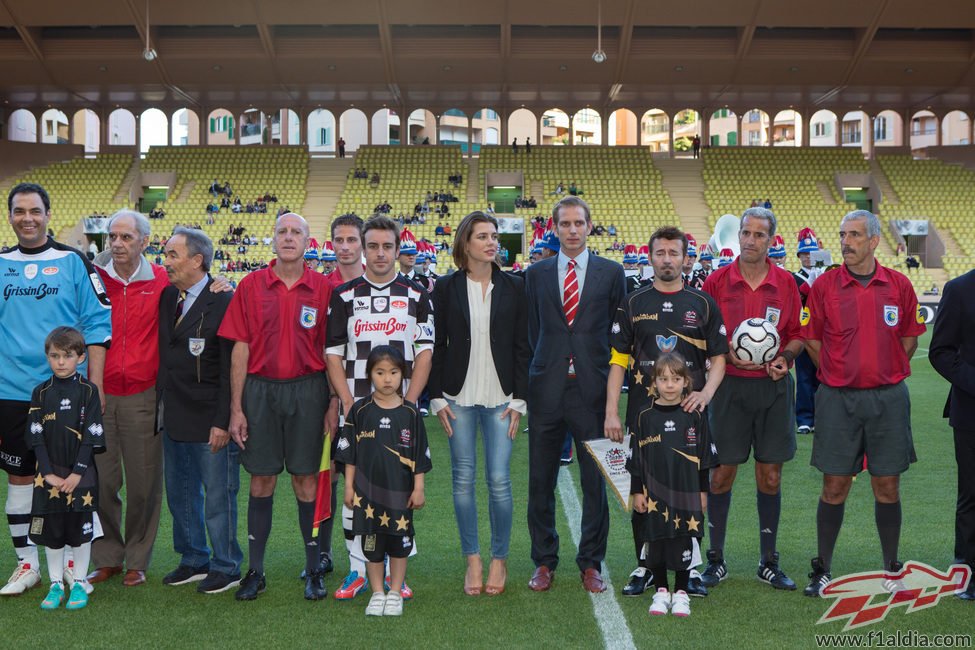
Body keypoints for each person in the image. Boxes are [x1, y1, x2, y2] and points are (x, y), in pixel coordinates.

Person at [801, 209, 925, 598]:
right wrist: (841, 374)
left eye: (854, 235)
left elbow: (909, 338)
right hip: (837, 399)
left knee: (887, 484)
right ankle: (822, 568)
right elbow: (812, 341)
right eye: (842, 235)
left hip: (888, 399)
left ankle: (892, 568)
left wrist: (877, 374)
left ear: (873, 241)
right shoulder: (823, 286)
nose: (845, 242)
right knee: (834, 485)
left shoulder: (899, 285)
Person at [218, 212, 338, 602]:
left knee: (307, 480)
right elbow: (240, 348)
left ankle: (315, 567)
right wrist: (236, 408)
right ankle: (256, 571)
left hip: (309, 391)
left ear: (308, 241)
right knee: (262, 479)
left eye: (296, 232)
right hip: (260, 391)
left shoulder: (323, 289)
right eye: (282, 231)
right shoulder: (251, 285)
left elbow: (332, 352)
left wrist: (333, 401)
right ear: (272, 239)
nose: (289, 238)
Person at [0, 183, 111, 597]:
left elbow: (98, 327)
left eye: (34, 210)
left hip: (66, 394)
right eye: (18, 211)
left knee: (68, 477)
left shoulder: (74, 261)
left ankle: (69, 568)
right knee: (21, 478)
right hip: (11, 392)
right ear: (10, 215)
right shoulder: (0, 264)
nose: (26, 218)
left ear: (48, 213)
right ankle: (27, 565)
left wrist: (93, 385)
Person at [606, 226, 728, 599]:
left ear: (685, 257)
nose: (667, 260)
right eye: (660, 253)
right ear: (650, 257)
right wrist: (612, 410)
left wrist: (705, 394)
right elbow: (617, 361)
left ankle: (687, 570)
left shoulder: (703, 303)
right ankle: (645, 565)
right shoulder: (632, 302)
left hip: (690, 415)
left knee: (688, 492)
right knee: (641, 489)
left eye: (674, 253)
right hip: (643, 414)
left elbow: (719, 358)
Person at [325, 215, 434, 602]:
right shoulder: (343, 296)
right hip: (358, 412)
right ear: (362, 249)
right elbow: (334, 355)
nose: (380, 253)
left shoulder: (418, 294)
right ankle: (357, 571)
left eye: (388, 246)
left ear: (398, 248)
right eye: (373, 246)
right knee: (354, 490)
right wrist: (352, 406)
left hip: (400, 413)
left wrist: (408, 403)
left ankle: (394, 572)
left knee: (398, 488)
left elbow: (424, 354)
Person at [699, 207, 804, 592]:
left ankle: (768, 561)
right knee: (722, 473)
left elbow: (797, 334)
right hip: (727, 388)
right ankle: (715, 560)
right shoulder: (715, 282)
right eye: (746, 233)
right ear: (738, 235)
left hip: (773, 389)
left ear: (771, 241)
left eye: (760, 235)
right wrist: (722, 350)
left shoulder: (787, 284)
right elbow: (701, 333)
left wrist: (786, 359)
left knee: (771, 476)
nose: (751, 240)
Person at [525, 196, 626, 593]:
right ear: (554, 227)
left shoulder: (612, 272)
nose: (571, 230)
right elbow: (533, 332)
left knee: (594, 482)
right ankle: (544, 561)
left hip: (593, 391)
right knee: (540, 480)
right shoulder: (536, 274)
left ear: (589, 226)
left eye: (578, 223)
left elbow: (618, 334)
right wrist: (545, 367)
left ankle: (591, 562)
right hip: (548, 389)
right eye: (564, 224)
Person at [429, 212, 529, 596]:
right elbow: (436, 346)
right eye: (482, 236)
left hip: (503, 398)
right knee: (462, 481)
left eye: (494, 236)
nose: (491, 242)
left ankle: (499, 560)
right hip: (458, 397)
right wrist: (437, 397)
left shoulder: (516, 287)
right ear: (465, 244)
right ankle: (472, 559)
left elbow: (523, 346)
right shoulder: (445, 287)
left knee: (500, 481)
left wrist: (520, 400)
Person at [88, 211, 171, 588]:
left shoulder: (163, 279)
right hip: (99, 394)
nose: (117, 244)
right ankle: (107, 557)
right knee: (102, 483)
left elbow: (200, 289)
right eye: (112, 237)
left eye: (126, 237)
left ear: (144, 242)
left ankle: (137, 558)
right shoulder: (91, 277)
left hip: (143, 394)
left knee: (143, 484)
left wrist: (218, 283)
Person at [157, 228, 242, 595]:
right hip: (175, 414)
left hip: (210, 416)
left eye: (174, 255)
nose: (167, 261)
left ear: (197, 260)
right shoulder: (166, 296)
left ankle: (226, 565)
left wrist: (223, 420)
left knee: (219, 496)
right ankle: (193, 558)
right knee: (181, 493)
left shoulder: (224, 299)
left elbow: (229, 368)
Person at [336, 346, 430, 616]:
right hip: (366, 496)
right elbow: (350, 456)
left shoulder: (411, 414)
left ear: (402, 375)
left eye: (393, 372)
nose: (387, 379)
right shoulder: (359, 411)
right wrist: (349, 488)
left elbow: (420, 457)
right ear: (369, 375)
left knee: (399, 544)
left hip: (401, 495)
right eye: (380, 372)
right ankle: (377, 592)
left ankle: (395, 592)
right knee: (372, 545)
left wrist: (419, 488)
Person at [628, 353, 717, 617]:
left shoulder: (695, 415)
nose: (669, 385)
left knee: (682, 540)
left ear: (686, 382)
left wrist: (702, 492)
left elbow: (704, 458)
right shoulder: (644, 416)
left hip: (686, 493)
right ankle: (661, 591)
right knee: (654, 541)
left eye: (676, 379)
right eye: (663, 379)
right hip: (654, 493)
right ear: (653, 383)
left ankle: (680, 592)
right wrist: (636, 491)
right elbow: (636, 459)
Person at [27, 327, 105, 610]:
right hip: (49, 477)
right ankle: (55, 584)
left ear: (81, 357)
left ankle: (80, 583)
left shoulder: (89, 391)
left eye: (68, 355)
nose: (61, 362)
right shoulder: (40, 392)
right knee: (53, 531)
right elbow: (35, 437)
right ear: (47, 357)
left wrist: (77, 473)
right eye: (54, 355)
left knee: (80, 531)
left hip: (80, 476)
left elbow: (92, 435)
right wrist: (47, 473)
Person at [930, 266, 975, 600]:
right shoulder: (959, 289)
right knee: (972, 494)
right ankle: (968, 573)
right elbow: (940, 352)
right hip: (971, 410)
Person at [793, 228, 821, 435]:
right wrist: (808, 286)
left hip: (822, 334)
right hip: (803, 334)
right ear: (799, 256)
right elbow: (795, 304)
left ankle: (820, 416)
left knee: (822, 376)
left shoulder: (825, 275)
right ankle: (804, 418)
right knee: (803, 377)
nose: (809, 257)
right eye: (805, 254)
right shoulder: (793, 279)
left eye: (812, 253)